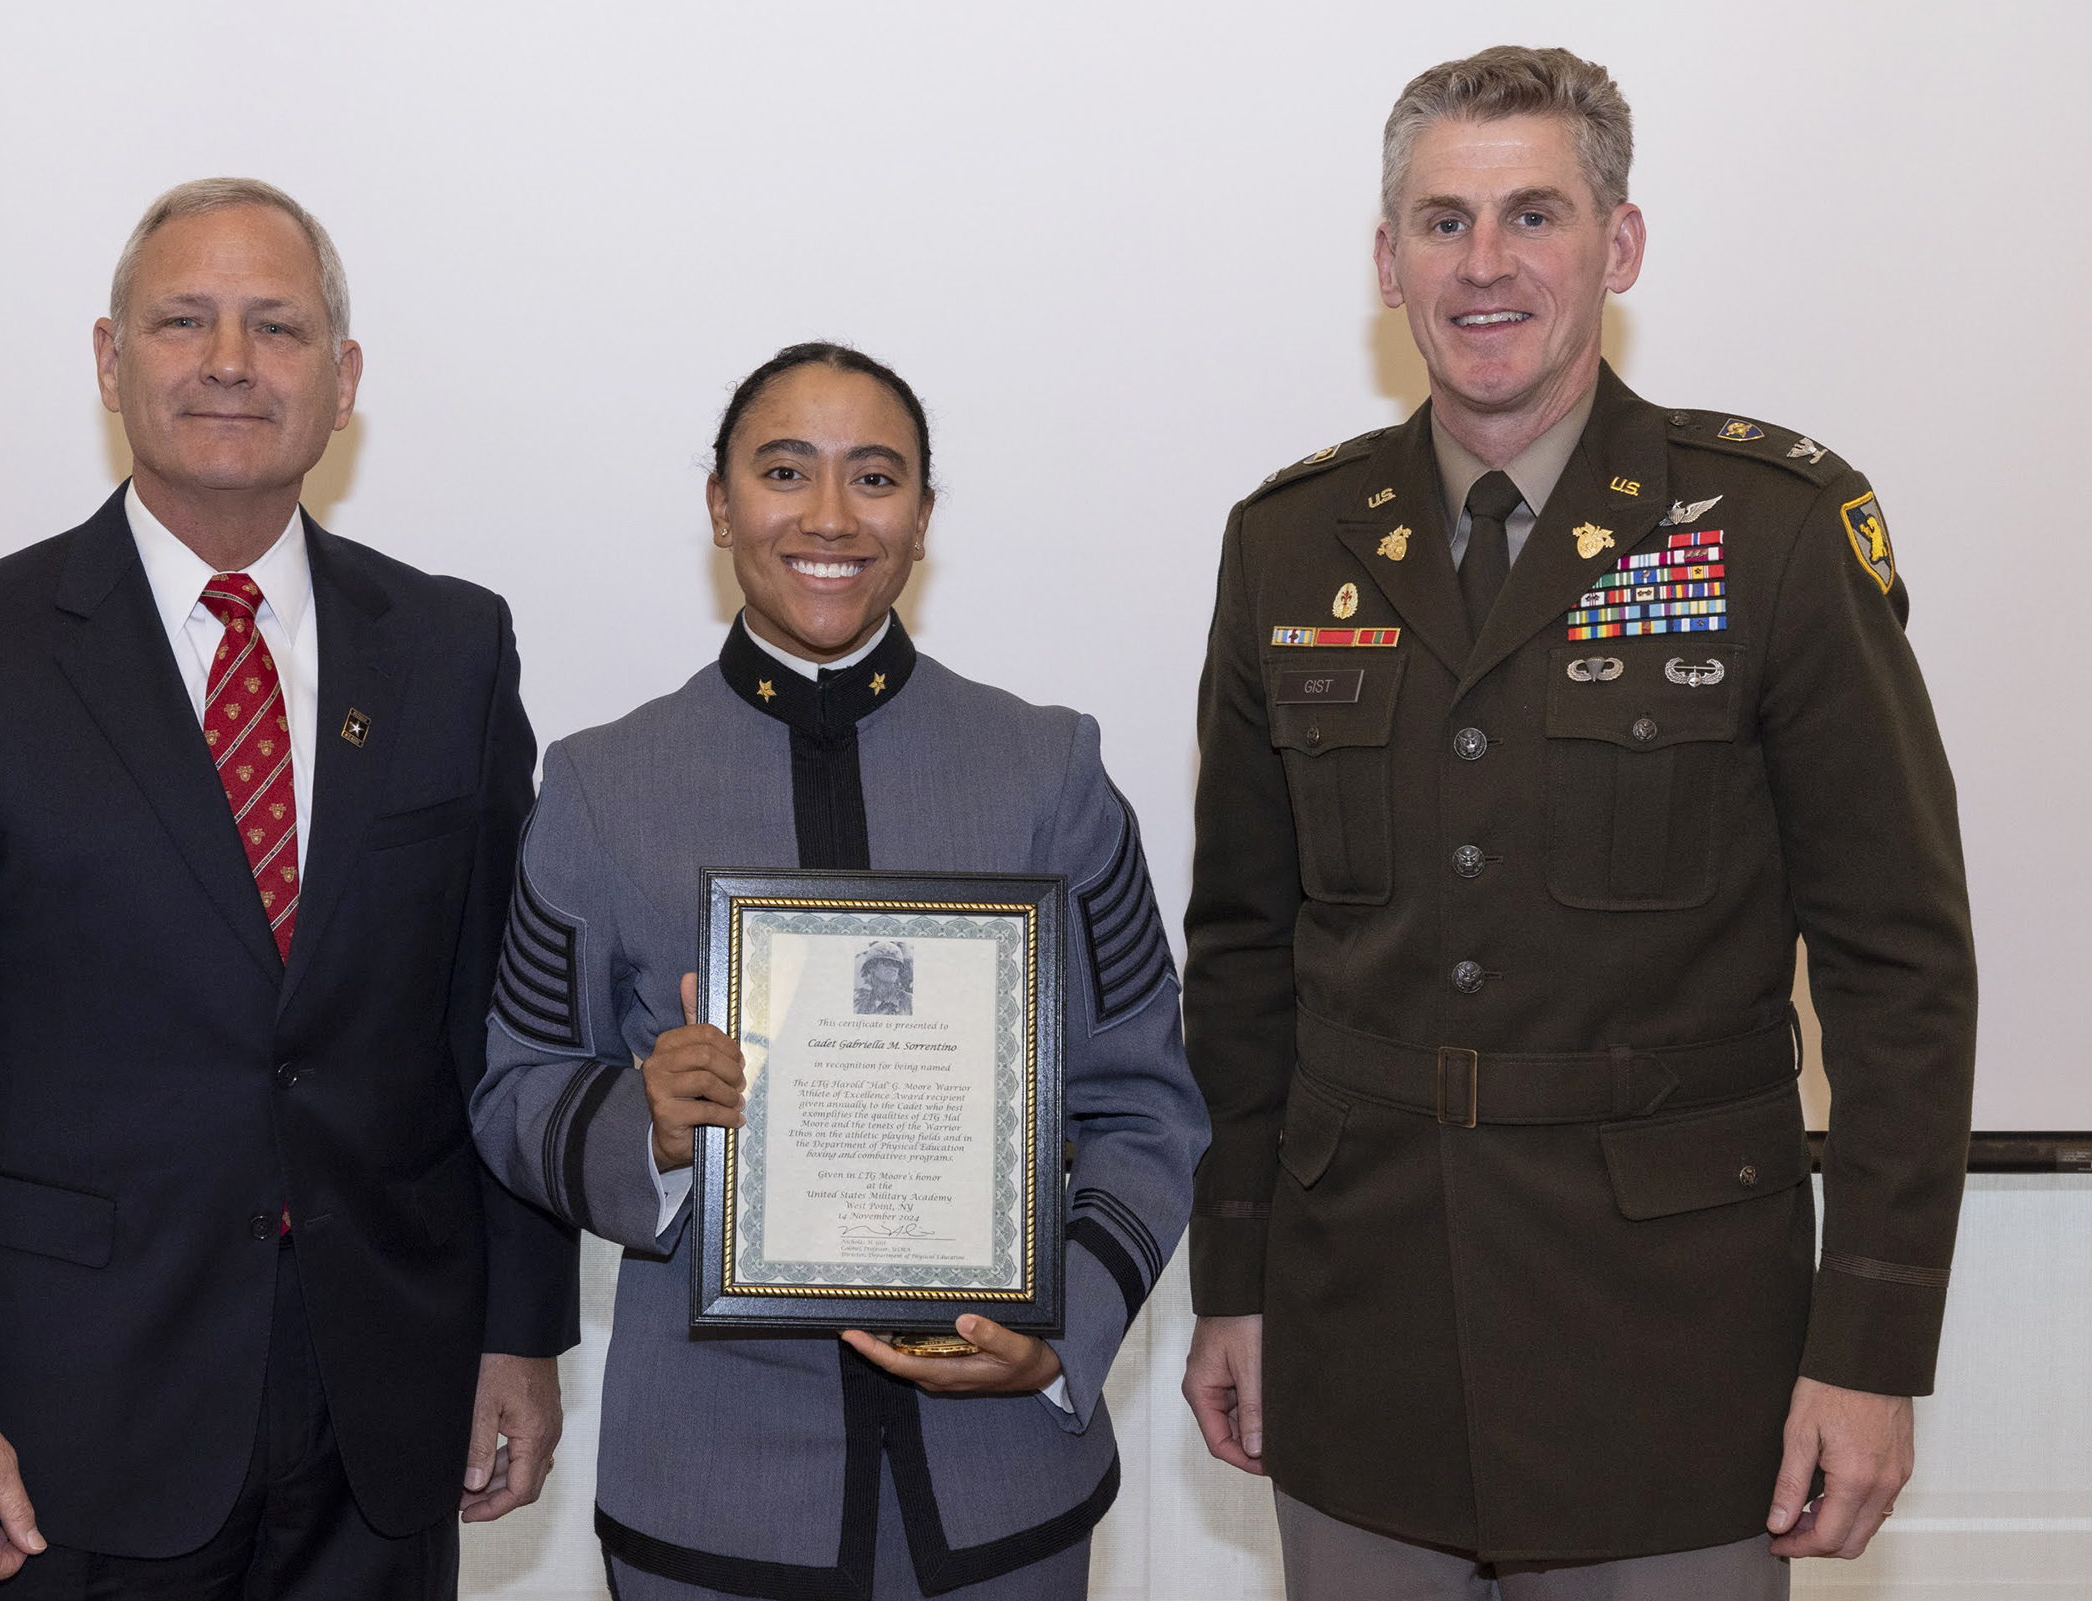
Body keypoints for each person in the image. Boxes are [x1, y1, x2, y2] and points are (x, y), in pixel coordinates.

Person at [1179, 47, 1975, 1599]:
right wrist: (1236, 1277)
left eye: (1533, 215)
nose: (1485, 265)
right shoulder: (1286, 545)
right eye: (1441, 221)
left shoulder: (1771, 531)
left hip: (1678, 1356)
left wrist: (1871, 1348)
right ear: (1386, 258)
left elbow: (1902, 974)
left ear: (1618, 247)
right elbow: (1245, 954)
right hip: (1363, 1334)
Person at [0, 177, 578, 1597]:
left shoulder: (453, 649)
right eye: (183, 321)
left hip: (387, 1407)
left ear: (341, 383)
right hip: (72, 1420)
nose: (230, 360)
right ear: (111, 361)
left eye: (277, 328)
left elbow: (500, 1028)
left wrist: (519, 1330)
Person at [471, 342, 1206, 1600]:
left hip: (1003, 1486)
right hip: (707, 1489)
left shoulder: (1049, 772)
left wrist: (1059, 1325)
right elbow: (512, 1088)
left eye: (875, 476)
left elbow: (1149, 1099)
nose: (827, 515)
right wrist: (641, 1119)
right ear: (719, 505)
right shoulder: (601, 787)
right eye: (782, 471)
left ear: (922, 515)